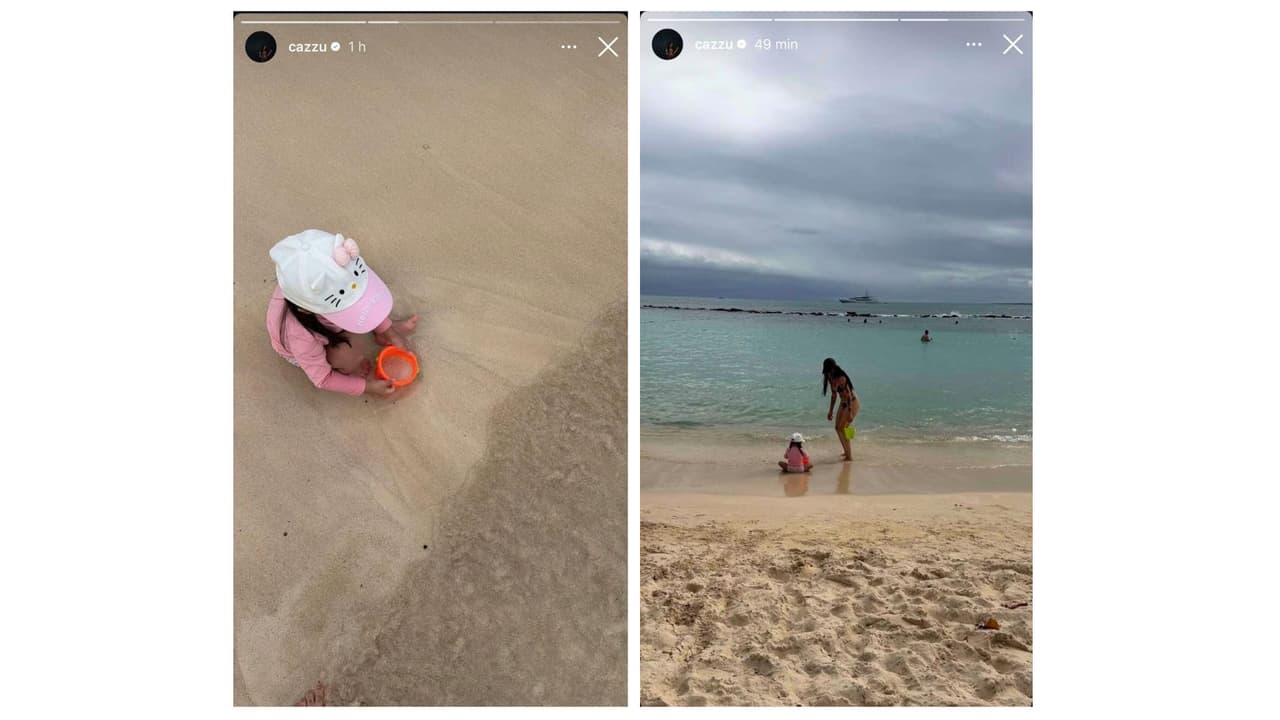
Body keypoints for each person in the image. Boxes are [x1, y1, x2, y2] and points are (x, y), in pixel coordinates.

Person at [266, 229, 419, 397]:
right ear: (307, 309)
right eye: (345, 306)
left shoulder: (316, 283)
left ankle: (380, 335)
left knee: (361, 296)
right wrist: (367, 387)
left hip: (322, 320)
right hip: (307, 343)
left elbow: (361, 296)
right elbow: (322, 379)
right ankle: (349, 365)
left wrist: (389, 332)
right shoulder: (300, 337)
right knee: (346, 351)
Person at [822, 357, 860, 462]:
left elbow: (848, 395)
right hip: (843, 402)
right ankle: (846, 451)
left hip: (852, 402)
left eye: (829, 370)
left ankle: (850, 456)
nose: (828, 373)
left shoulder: (841, 377)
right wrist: (830, 411)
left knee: (845, 427)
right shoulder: (829, 376)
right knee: (837, 427)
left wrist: (850, 413)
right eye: (827, 371)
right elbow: (834, 395)